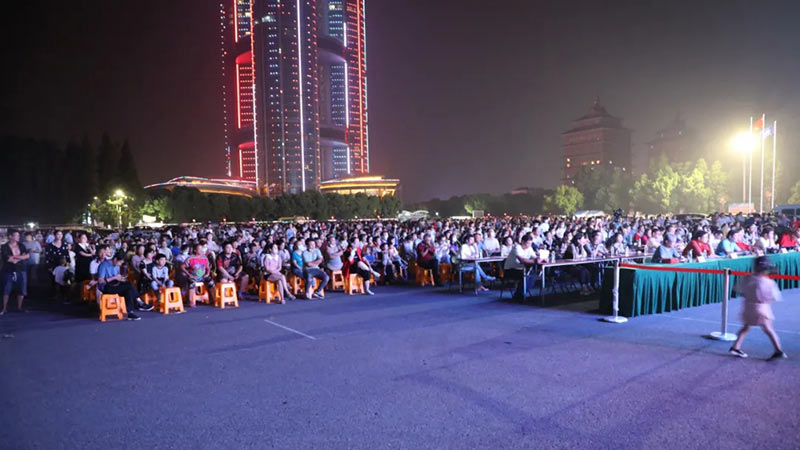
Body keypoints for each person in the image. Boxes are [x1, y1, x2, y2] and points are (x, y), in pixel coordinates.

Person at [729, 256, 787, 360]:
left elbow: (740, 291)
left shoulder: (747, 278)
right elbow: (774, 297)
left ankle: (735, 347)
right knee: (768, 329)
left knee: (746, 327)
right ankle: (778, 350)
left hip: (748, 307)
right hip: (762, 308)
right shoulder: (769, 282)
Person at [97, 252, 154, 320]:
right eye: (120, 262)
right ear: (115, 259)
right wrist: (114, 277)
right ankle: (140, 303)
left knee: (128, 290)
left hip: (115, 284)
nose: (120, 264)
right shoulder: (103, 265)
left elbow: (117, 278)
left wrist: (121, 279)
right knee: (129, 285)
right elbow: (100, 281)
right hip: (106, 287)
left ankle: (130, 313)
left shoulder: (117, 266)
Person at [1, 229, 30, 315]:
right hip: (8, 270)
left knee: (21, 288)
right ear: (10, 236)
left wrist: (15, 257)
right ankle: (4, 308)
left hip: (21, 269)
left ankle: (19, 307)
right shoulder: (4, 247)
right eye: (16, 235)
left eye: (18, 235)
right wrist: (21, 257)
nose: (18, 237)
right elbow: (7, 259)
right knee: (6, 289)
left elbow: (27, 256)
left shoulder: (21, 245)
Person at [503, 233, 539, 299]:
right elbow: (522, 260)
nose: (529, 245)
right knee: (526, 276)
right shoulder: (517, 247)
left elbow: (535, 257)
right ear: (522, 242)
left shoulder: (529, 248)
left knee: (534, 275)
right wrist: (535, 261)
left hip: (521, 269)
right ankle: (520, 294)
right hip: (511, 270)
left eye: (530, 243)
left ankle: (520, 293)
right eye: (528, 243)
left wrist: (541, 259)